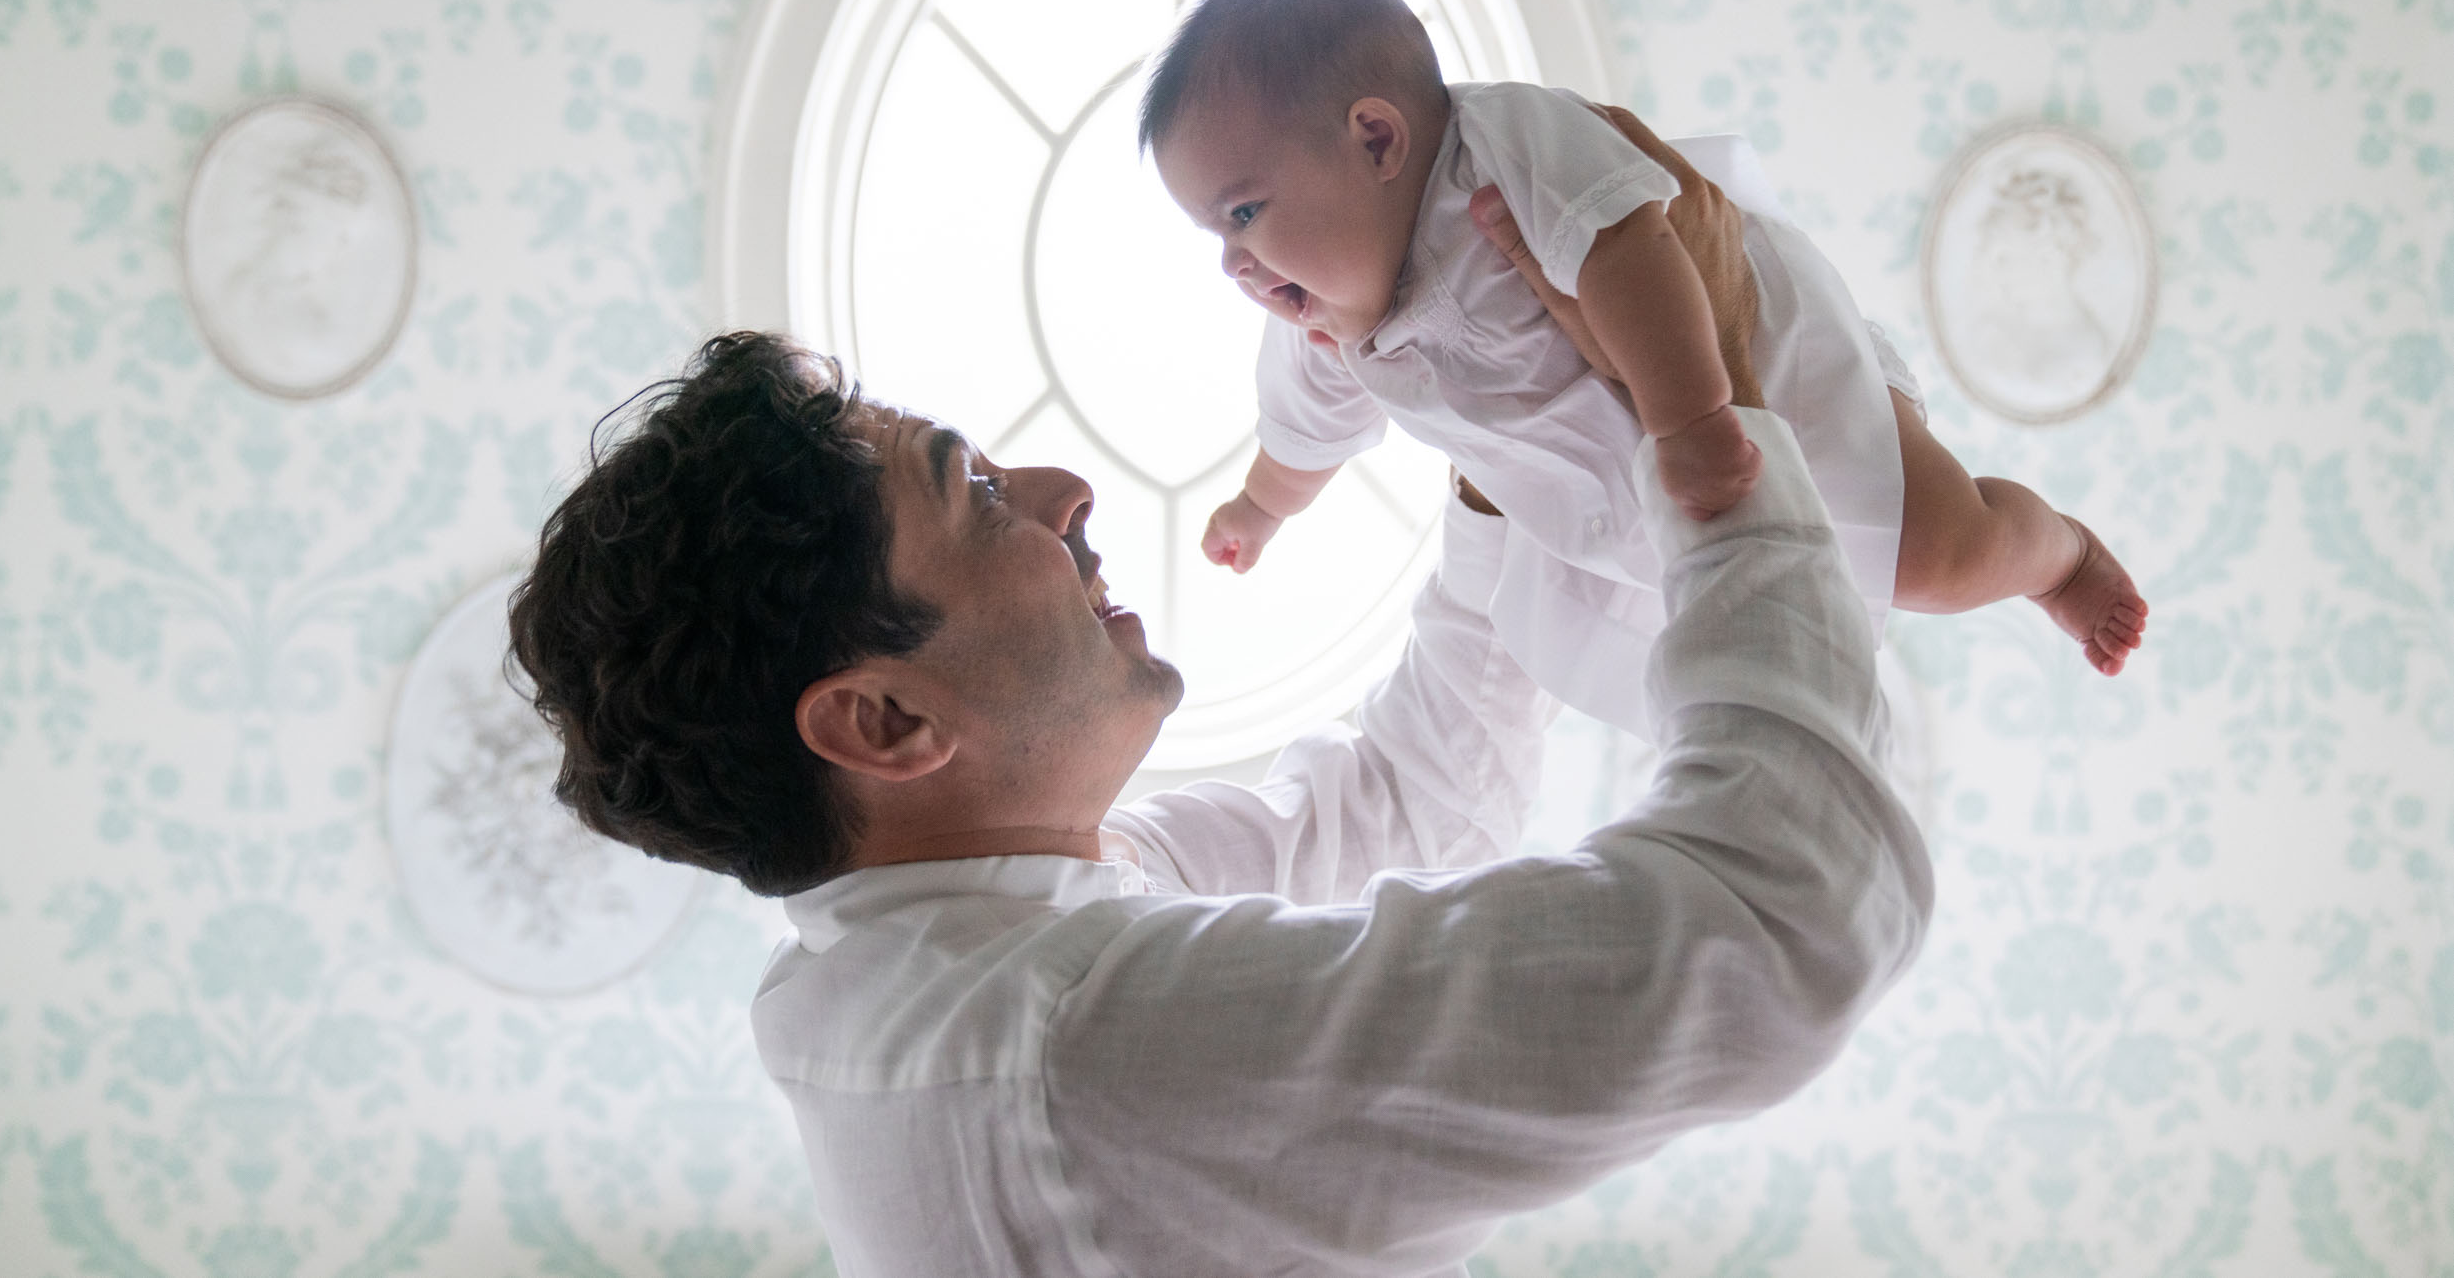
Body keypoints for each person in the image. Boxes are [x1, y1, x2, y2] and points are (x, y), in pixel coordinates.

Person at [507, 145, 1935, 1277]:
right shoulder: (1074, 1049)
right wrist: (1716, 417)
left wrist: (1499, 448)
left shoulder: (947, 961)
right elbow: (1782, 919)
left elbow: (1407, 807)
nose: (1064, 493)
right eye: (975, 491)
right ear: (879, 724)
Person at [1151, 0, 2146, 731]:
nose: (1233, 263)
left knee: (1936, 555)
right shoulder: (1327, 330)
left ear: (1375, 140)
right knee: (1724, 654)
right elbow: (1303, 435)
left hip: (1755, 370)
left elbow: (1631, 245)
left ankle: (2056, 556)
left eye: (1243, 211)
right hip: (1646, 504)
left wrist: (1694, 414)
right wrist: (1258, 508)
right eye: (1214, 233)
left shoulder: (1492, 157)